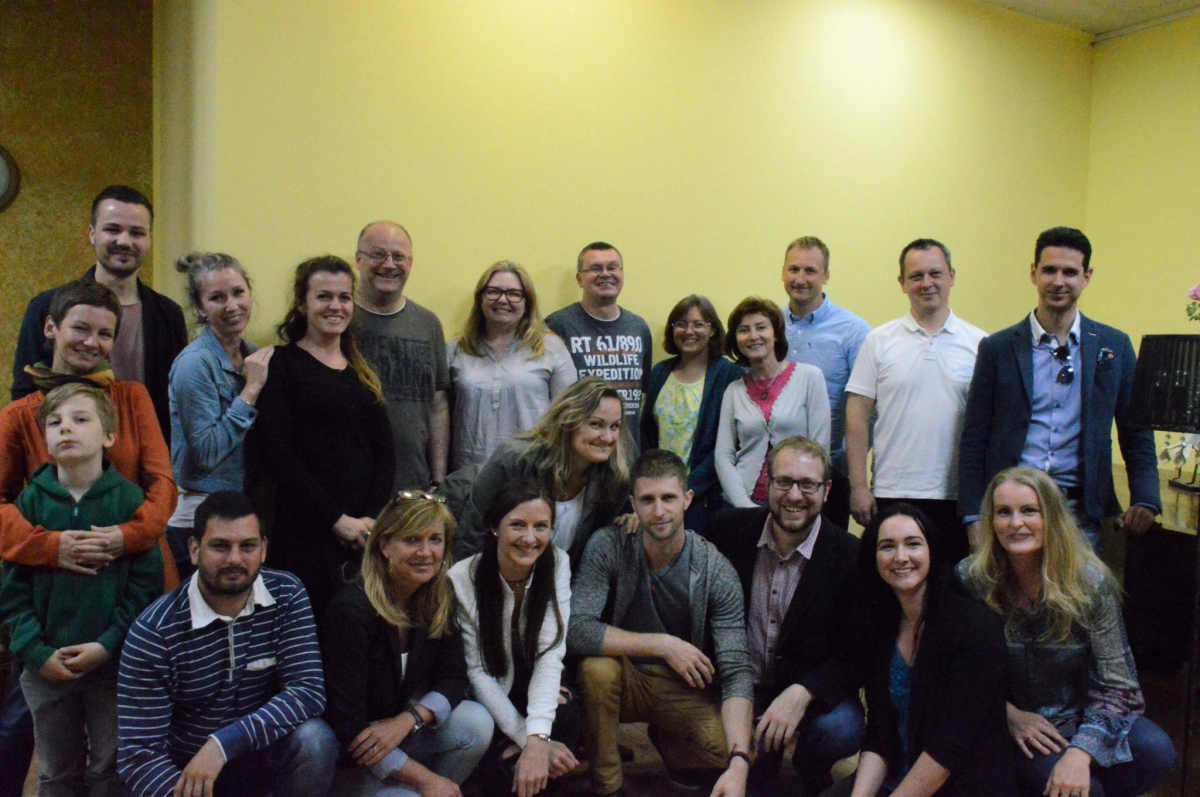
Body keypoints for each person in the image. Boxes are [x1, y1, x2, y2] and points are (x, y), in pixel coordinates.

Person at [0, 280, 179, 794]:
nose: (91, 342)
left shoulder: (131, 398)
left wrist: (127, 535)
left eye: (104, 334)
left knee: (121, 749)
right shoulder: (21, 414)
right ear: (51, 328)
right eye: (80, 328)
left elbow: (162, 483)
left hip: (131, 582)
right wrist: (49, 547)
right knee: (44, 744)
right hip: (49, 597)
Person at [959, 467, 1176, 797]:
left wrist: (1081, 751)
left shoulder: (1090, 582)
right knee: (1086, 793)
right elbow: (955, 673)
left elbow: (1119, 683)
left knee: (1156, 751)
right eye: (1003, 512)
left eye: (1029, 510)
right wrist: (1008, 715)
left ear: (1052, 517)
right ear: (990, 520)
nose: (1016, 523)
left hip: (1078, 716)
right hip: (1009, 725)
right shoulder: (971, 579)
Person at [117, 491, 337, 797]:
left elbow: (307, 691)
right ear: (194, 549)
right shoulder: (155, 632)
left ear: (263, 549)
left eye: (247, 546)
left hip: (260, 759)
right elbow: (139, 756)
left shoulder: (287, 593)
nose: (235, 559)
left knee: (315, 740)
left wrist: (222, 744)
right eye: (220, 546)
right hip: (188, 775)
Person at [958, 227, 1160, 548]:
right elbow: (974, 437)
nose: (1058, 281)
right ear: (1033, 273)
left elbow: (1136, 432)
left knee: (1080, 585)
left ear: (1087, 277)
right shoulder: (997, 348)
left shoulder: (1114, 345)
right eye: (1049, 270)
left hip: (1080, 514)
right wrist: (973, 515)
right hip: (1011, 509)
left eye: (1070, 272)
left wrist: (1146, 498)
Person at [569, 449, 754, 797]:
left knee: (727, 754)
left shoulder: (716, 570)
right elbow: (576, 628)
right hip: (625, 675)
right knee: (596, 670)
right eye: (647, 500)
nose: (658, 511)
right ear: (632, 503)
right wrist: (663, 645)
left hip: (682, 685)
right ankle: (608, 785)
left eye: (668, 498)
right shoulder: (609, 545)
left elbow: (736, 670)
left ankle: (670, 738)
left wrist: (739, 759)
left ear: (687, 499)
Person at [706, 437, 864, 796]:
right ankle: (756, 753)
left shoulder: (851, 557)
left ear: (826, 490)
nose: (794, 495)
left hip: (802, 695)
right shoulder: (726, 531)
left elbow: (856, 653)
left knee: (841, 729)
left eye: (808, 485)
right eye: (784, 482)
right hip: (737, 686)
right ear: (768, 482)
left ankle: (809, 764)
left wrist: (804, 692)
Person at [820, 504, 1012, 797]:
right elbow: (880, 735)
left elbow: (950, 747)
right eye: (887, 546)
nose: (901, 557)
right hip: (897, 776)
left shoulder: (975, 626)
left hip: (962, 784)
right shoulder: (879, 624)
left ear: (932, 551)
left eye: (913, 544)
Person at [322, 493, 493, 797]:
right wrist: (425, 780)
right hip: (351, 756)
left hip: (397, 734)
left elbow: (454, 677)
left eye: (435, 539)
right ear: (385, 546)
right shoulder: (351, 610)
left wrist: (409, 719)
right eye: (412, 539)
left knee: (476, 722)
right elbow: (348, 727)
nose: (426, 552)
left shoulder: (437, 595)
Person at [253, 255, 395, 615]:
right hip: (306, 534)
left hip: (362, 538)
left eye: (344, 297)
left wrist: (371, 520)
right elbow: (278, 455)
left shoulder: (362, 371)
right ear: (302, 305)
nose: (336, 306)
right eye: (323, 297)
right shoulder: (281, 365)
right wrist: (336, 519)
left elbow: (385, 453)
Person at [846, 239, 986, 565]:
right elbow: (856, 418)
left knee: (951, 585)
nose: (927, 283)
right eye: (916, 276)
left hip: (958, 497)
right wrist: (859, 487)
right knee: (892, 581)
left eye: (935, 274)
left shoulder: (980, 343)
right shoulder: (878, 341)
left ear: (951, 276)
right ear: (902, 283)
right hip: (892, 492)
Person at [12, 185, 187, 441]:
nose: (124, 241)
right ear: (92, 233)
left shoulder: (169, 315)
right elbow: (25, 392)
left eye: (137, 232)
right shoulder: (46, 306)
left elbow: (175, 402)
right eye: (112, 229)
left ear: (149, 239)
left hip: (144, 454)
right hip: (63, 455)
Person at [448, 480, 579, 797]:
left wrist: (538, 739)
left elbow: (549, 654)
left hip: (530, 680)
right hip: (483, 693)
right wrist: (530, 740)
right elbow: (477, 672)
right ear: (495, 527)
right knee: (513, 760)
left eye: (540, 526)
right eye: (518, 525)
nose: (530, 538)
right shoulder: (462, 577)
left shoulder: (557, 563)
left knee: (565, 716)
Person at [167, 252, 273, 580]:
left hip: (240, 513)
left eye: (238, 292)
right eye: (217, 298)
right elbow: (207, 453)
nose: (232, 305)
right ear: (200, 308)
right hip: (197, 519)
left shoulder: (252, 354)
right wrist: (250, 390)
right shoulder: (194, 364)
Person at [453, 377, 630, 565]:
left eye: (614, 426)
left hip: (560, 579)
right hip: (495, 572)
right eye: (596, 424)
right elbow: (472, 535)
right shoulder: (515, 458)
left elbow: (592, 555)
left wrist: (629, 520)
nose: (608, 437)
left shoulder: (613, 480)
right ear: (568, 420)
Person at [448, 260, 577, 472]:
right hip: (468, 474)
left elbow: (569, 417)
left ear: (527, 302)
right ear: (480, 298)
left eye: (514, 293)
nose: (502, 300)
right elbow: (440, 413)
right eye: (493, 291)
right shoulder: (456, 348)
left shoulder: (551, 348)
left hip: (532, 473)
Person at [351, 221, 451, 492]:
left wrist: (438, 480)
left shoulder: (428, 324)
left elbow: (438, 405)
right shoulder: (339, 319)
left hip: (412, 486)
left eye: (398, 256)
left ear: (410, 262)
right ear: (358, 259)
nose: (389, 265)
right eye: (377, 254)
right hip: (348, 488)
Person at [780, 236, 870, 529]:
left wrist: (845, 463)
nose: (800, 279)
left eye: (810, 271)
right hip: (774, 475)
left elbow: (870, 409)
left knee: (825, 552)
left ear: (826, 275)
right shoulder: (768, 326)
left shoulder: (854, 332)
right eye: (794, 269)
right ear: (782, 272)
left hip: (830, 474)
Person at [640, 295, 745, 531]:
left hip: (705, 499)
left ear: (712, 330)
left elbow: (729, 443)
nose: (689, 331)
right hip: (659, 496)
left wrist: (687, 488)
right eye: (681, 324)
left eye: (698, 324)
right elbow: (647, 434)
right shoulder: (659, 372)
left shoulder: (730, 376)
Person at [715, 297, 830, 508]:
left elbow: (820, 448)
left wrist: (805, 495)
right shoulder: (733, 391)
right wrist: (743, 504)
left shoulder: (810, 378)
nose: (753, 336)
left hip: (796, 501)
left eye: (761, 328)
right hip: (744, 503)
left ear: (776, 334)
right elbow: (723, 455)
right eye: (744, 330)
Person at [545, 242, 652, 450]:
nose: (605, 274)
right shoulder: (557, 326)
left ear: (622, 274)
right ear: (579, 279)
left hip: (627, 455)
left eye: (612, 267)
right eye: (595, 268)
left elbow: (643, 392)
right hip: (575, 454)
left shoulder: (638, 328)